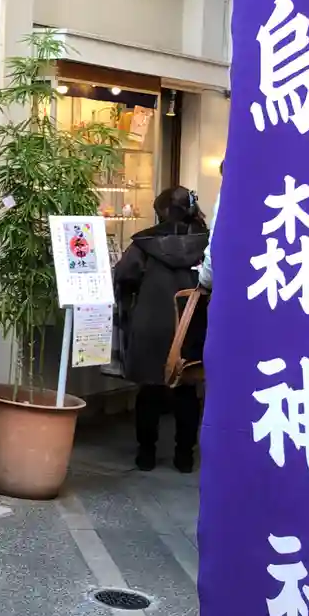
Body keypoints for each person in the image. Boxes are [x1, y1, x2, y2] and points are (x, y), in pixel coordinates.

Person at [115, 186, 210, 472]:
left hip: (151, 324)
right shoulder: (207, 243)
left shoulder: (144, 244)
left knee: (149, 391)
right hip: (191, 325)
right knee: (187, 391)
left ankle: (146, 455)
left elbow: (124, 276)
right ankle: (184, 457)